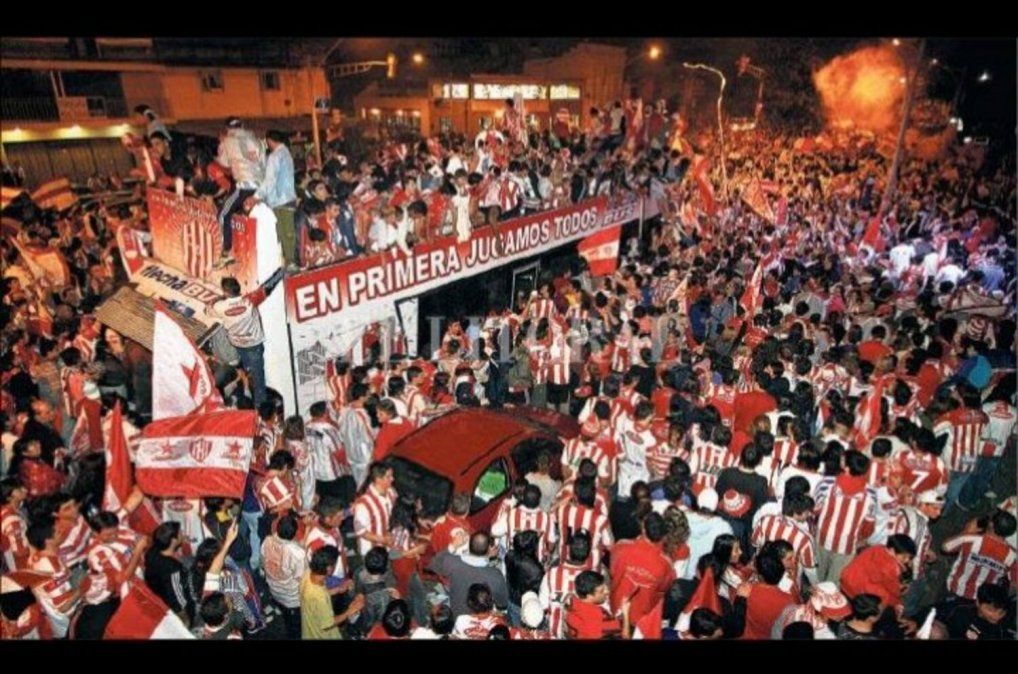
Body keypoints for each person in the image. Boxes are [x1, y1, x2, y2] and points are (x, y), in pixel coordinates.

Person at [206, 271, 283, 409]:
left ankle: (247, 389)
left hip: (238, 346)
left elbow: (208, 309)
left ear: (225, 292)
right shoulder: (249, 301)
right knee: (259, 379)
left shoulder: (220, 307)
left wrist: (219, 299)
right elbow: (268, 287)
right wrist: (281, 272)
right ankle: (260, 408)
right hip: (254, 346)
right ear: (238, 289)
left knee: (246, 370)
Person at [215, 117, 266, 267]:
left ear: (227, 128)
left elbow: (223, 162)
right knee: (258, 218)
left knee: (223, 215)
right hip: (261, 187)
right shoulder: (256, 139)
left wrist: (221, 145)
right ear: (242, 125)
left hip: (244, 186)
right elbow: (262, 161)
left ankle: (226, 252)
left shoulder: (227, 141)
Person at [428, 530, 509, 619]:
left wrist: (453, 545)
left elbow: (433, 564)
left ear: (469, 546)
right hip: (481, 619)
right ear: (489, 549)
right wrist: (487, 557)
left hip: (457, 614)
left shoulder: (453, 562)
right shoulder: (495, 575)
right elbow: (502, 604)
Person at [300, 545, 364, 639]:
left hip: (309, 625)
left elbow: (313, 596)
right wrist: (350, 611)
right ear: (329, 568)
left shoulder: (308, 573)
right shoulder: (320, 597)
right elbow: (328, 624)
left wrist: (337, 589)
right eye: (335, 565)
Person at [261, 512, 307, 639]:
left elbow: (262, 563)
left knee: (287, 618)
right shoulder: (297, 554)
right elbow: (302, 579)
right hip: (292, 599)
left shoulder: (267, 541)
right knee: (295, 627)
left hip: (275, 591)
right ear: (294, 533)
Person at [566, 570, 628, 639]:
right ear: (589, 596)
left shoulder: (572, 608)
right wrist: (626, 614)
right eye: (602, 591)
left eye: (605, 587)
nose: (607, 591)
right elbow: (625, 636)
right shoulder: (600, 615)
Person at [256, 130, 297, 208]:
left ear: (269, 141)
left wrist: (257, 196)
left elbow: (270, 179)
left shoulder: (275, 156)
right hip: (290, 198)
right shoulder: (287, 153)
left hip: (279, 200)